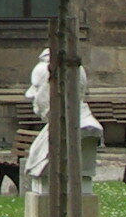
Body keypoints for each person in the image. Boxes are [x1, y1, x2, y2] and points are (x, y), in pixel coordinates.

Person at [21, 46, 102, 193]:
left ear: (59, 89)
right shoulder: (52, 127)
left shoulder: (86, 129)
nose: (30, 94)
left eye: (37, 87)